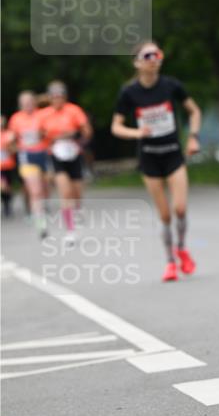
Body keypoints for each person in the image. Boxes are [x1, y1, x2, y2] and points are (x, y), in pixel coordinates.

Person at [111, 40, 201, 282]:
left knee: (180, 208)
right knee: (164, 216)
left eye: (157, 54)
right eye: (148, 55)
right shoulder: (129, 92)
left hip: (173, 153)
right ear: (137, 62)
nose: (153, 60)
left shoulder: (171, 86)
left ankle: (181, 248)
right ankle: (170, 262)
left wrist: (193, 137)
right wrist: (137, 133)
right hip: (149, 159)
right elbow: (116, 127)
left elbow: (194, 111)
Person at [39, 81, 93, 247]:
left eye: (60, 95)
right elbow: (39, 136)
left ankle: (78, 209)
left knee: (76, 193)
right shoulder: (44, 114)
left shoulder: (74, 110)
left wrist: (79, 141)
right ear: (49, 98)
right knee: (66, 193)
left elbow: (87, 131)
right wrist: (51, 140)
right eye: (54, 96)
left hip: (74, 153)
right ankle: (70, 231)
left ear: (65, 96)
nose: (57, 99)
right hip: (56, 155)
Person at [8, 91, 51, 237]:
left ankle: (43, 208)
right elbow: (12, 140)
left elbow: (50, 133)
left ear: (34, 102)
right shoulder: (15, 119)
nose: (27, 104)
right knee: (35, 191)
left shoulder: (43, 115)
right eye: (24, 102)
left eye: (29, 101)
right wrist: (15, 147)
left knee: (45, 189)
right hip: (26, 156)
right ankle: (41, 224)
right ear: (20, 105)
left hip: (43, 154)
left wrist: (42, 135)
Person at [0, 115, 17, 218]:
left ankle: (7, 204)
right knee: (3, 186)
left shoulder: (9, 134)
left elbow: (15, 149)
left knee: (7, 187)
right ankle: (6, 205)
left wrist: (9, 147)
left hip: (8, 165)